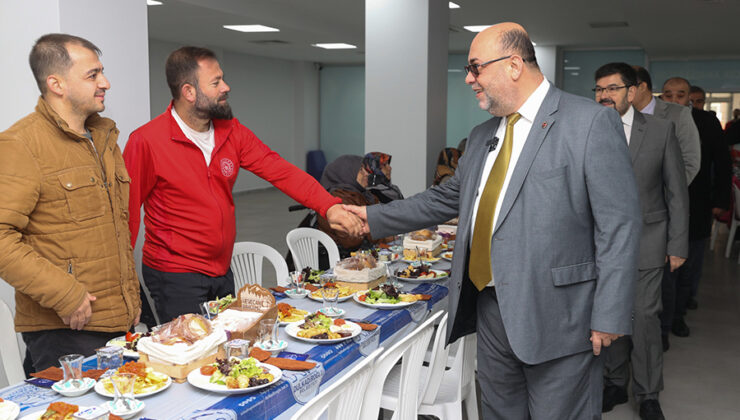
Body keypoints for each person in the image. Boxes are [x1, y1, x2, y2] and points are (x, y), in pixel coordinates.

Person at [344, 23, 642, 419]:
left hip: (561, 316)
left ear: (514, 65)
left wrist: (609, 314)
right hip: (491, 309)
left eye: (475, 67)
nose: (469, 78)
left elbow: (619, 224)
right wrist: (369, 216)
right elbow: (445, 198)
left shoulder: (588, 123)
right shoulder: (484, 133)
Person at [124, 47, 362, 322]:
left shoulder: (232, 132)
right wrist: (125, 285)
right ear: (189, 92)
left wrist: (329, 207)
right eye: (215, 82)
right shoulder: (147, 141)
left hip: (221, 269)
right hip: (175, 274)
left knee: (226, 348)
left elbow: (281, 171)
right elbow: (125, 214)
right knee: (191, 355)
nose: (226, 87)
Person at [0, 34, 140, 371]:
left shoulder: (104, 138)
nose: (105, 82)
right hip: (65, 330)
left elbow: (113, 231)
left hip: (118, 324)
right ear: (56, 84)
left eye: (101, 72)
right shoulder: (22, 143)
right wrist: (65, 294)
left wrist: (131, 299)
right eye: (92, 75)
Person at [594, 63, 689, 420]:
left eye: (612, 88)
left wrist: (677, 244)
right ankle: (614, 382)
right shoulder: (586, 128)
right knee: (608, 313)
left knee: (645, 317)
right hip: (599, 244)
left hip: (648, 239)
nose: (605, 95)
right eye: (599, 89)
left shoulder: (661, 131)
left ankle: (648, 393)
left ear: (632, 92)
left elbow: (676, 191)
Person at [662, 78, 732, 337]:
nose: (674, 100)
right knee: (665, 270)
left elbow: (722, 163)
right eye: (668, 95)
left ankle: (679, 315)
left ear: (689, 97)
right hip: (663, 205)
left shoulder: (706, 122)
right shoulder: (655, 120)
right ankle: (664, 322)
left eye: (680, 95)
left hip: (697, 203)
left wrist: (721, 201)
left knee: (688, 264)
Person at [316, 153, 402, 256]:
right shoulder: (338, 199)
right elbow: (352, 240)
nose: (366, 174)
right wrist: (389, 236)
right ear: (346, 173)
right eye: (361, 170)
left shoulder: (363, 193)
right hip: (344, 259)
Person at [631, 66, 701, 183]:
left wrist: (665, 194)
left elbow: (689, 162)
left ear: (642, 87)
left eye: (624, 88)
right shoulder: (615, 116)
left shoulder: (678, 114)